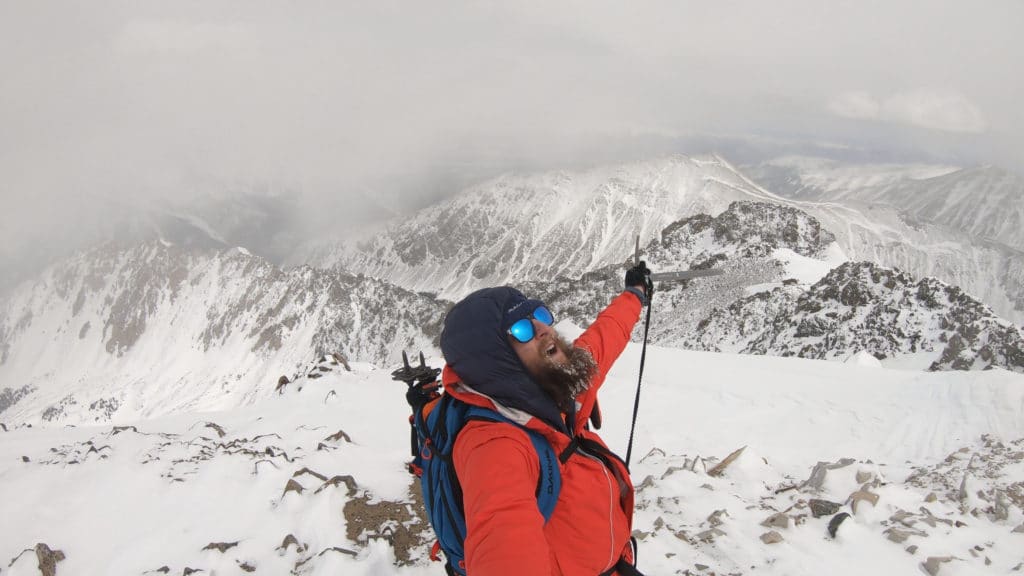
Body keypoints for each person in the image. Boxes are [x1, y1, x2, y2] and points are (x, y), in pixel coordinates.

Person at [438, 264, 652, 575]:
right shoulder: (495, 445)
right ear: (498, 359)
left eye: (538, 314)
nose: (543, 328)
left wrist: (635, 294)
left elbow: (606, 334)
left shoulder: (558, 383)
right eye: (521, 329)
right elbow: (504, 542)